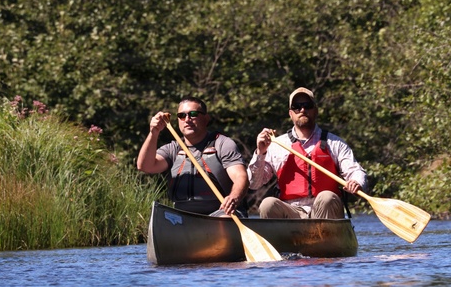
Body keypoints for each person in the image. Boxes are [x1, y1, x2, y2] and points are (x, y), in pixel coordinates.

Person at [249, 87, 366, 219]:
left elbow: (355, 170)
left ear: (315, 110)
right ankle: (282, 238)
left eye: (307, 105)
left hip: (325, 209)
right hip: (292, 211)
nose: (302, 110)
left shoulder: (334, 142)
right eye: (297, 107)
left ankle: (323, 237)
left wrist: (356, 182)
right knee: (267, 204)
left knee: (326, 197)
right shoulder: (277, 145)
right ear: (290, 113)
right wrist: (260, 152)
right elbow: (254, 183)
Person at [136, 96, 248, 216]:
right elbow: (145, 166)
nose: (187, 119)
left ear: (206, 118)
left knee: (224, 220)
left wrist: (234, 197)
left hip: (222, 213)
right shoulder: (173, 148)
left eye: (193, 114)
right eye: (182, 116)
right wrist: (154, 132)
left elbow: (240, 176)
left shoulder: (223, 144)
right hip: (183, 217)